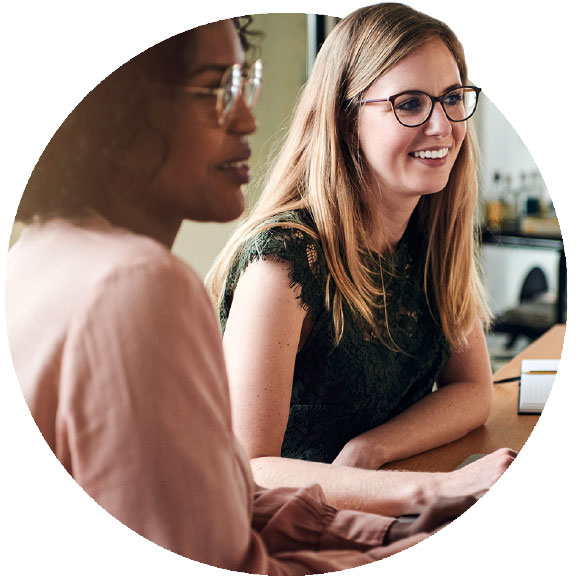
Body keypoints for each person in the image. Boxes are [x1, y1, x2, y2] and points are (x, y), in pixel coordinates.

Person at [6, 15, 483, 575]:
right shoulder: (153, 281)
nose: (249, 117)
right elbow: (224, 542)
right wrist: (432, 498)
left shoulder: (37, 252)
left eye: (453, 97)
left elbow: (235, 513)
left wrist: (413, 498)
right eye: (216, 89)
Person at [208, 3, 515, 514]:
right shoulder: (282, 259)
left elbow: (472, 391)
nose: (442, 125)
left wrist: (372, 448)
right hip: (279, 532)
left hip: (363, 510)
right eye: (410, 104)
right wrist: (438, 488)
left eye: (453, 98)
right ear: (346, 120)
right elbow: (249, 468)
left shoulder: (431, 232)